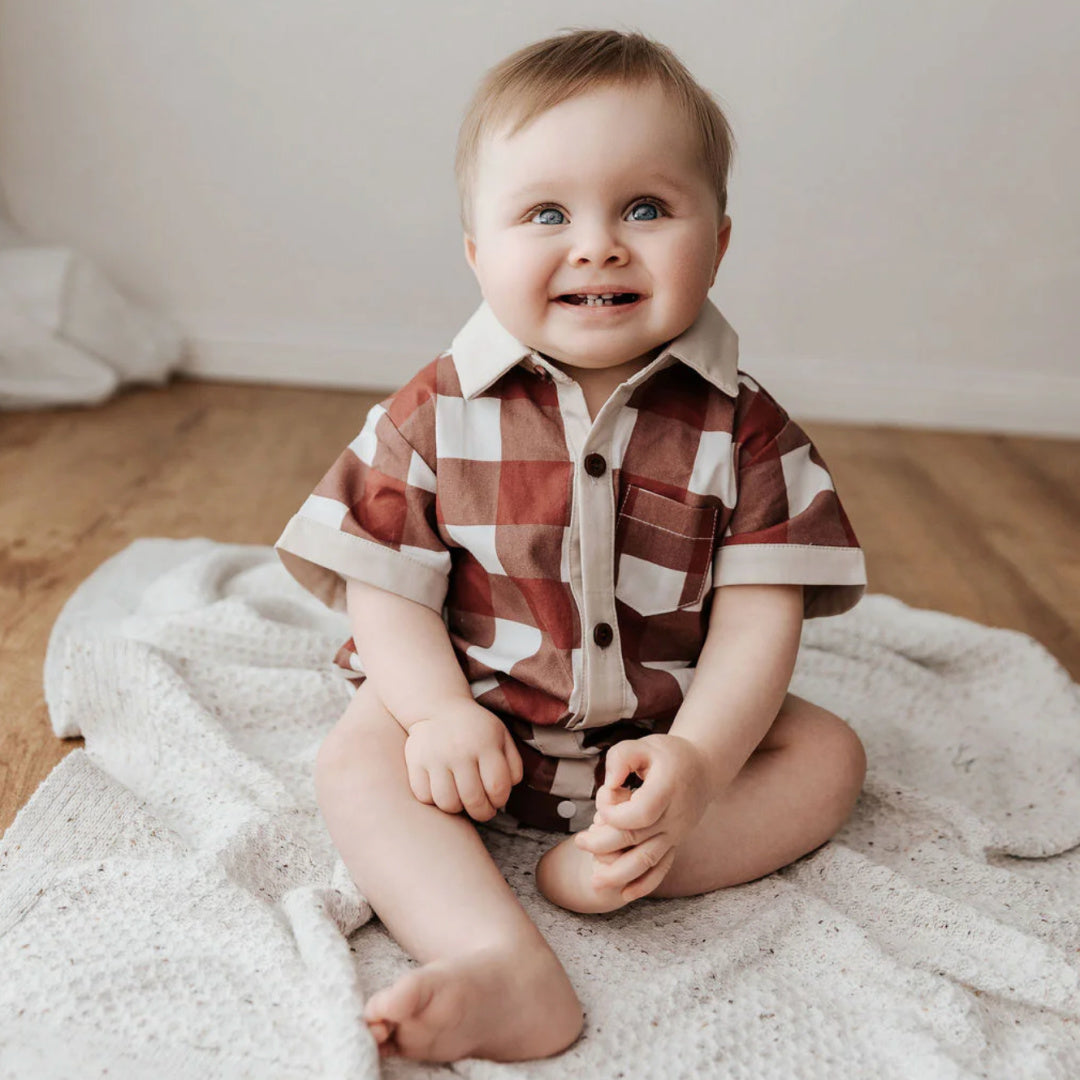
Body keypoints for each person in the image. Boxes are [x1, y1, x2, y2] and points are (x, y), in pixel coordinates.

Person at [275, 27, 868, 1064]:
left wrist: (697, 760)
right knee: (356, 762)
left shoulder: (748, 431)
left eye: (646, 207)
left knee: (827, 756)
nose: (597, 244)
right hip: (482, 722)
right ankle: (496, 960)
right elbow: (388, 588)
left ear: (718, 240)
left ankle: (626, 863)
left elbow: (757, 626)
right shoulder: (435, 413)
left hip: (656, 734)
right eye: (546, 212)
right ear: (477, 250)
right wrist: (436, 712)